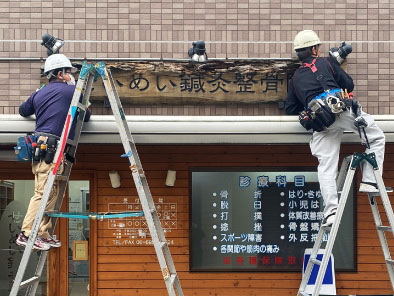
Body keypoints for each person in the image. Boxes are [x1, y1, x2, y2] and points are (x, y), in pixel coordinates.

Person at [285, 30, 386, 227]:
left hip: (320, 123)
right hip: (339, 111)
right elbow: (348, 83)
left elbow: (290, 108)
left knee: (326, 167)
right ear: (314, 49)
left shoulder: (295, 78)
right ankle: (369, 180)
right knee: (376, 138)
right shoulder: (326, 62)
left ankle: (330, 212)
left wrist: (308, 100)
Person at [16, 54, 90, 250]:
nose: (71, 75)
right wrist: (76, 93)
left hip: (47, 148)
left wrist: (39, 96)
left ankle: (43, 233)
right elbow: (86, 116)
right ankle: (27, 233)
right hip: (51, 148)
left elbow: (23, 111)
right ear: (60, 74)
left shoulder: (39, 93)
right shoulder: (71, 92)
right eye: (68, 72)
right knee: (42, 192)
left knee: (52, 192)